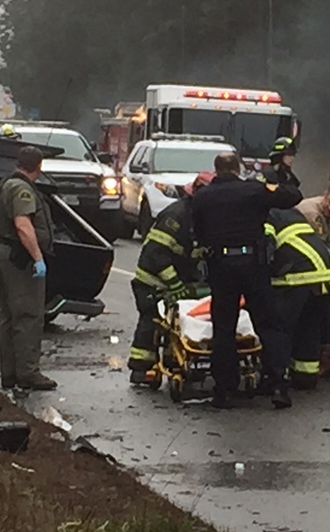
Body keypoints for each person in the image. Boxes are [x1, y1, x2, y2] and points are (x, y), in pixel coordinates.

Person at [189, 150, 302, 409]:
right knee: (268, 324)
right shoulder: (254, 190)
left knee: (224, 327)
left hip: (221, 267)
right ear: (238, 168)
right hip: (254, 264)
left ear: (216, 170)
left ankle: (225, 389)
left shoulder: (203, 197)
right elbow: (292, 196)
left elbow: (198, 231)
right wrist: (278, 177)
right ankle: (277, 385)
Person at [128, 172, 211, 385]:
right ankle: (141, 368)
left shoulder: (203, 216)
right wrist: (174, 284)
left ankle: (174, 360)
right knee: (152, 320)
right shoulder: (176, 216)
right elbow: (157, 254)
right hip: (152, 281)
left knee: (178, 321)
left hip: (180, 279)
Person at [0, 145, 57, 395]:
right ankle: (28, 374)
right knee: (28, 316)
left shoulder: (8, 183)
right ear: (38, 167)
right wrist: (37, 257)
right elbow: (22, 225)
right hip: (18, 259)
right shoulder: (21, 189)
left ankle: (10, 374)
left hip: (3, 254)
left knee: (9, 317)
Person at [262, 206, 330, 397]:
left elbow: (266, 248)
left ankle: (277, 378)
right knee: (309, 327)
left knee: (280, 328)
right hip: (323, 273)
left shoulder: (265, 213)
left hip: (297, 276)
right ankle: (306, 377)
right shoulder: (290, 211)